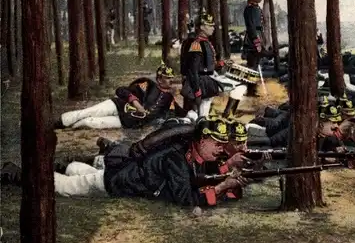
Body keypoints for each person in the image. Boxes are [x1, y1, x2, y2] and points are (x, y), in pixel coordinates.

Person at [1, 117, 249, 208]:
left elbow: (201, 176)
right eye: (217, 144)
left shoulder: (191, 153)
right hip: (116, 181)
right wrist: (221, 188)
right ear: (202, 140)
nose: (220, 149)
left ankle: (62, 165)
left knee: (82, 173)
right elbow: (186, 197)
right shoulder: (178, 158)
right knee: (65, 187)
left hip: (122, 172)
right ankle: (13, 173)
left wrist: (227, 174)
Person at [54, 64, 182, 130]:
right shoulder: (147, 84)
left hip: (128, 121)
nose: (170, 81)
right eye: (167, 78)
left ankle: (69, 127)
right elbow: (121, 91)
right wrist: (136, 103)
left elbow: (173, 115)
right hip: (118, 105)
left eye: (171, 78)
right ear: (159, 79)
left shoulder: (169, 99)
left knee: (90, 122)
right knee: (87, 112)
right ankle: (59, 123)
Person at [180, 12, 224, 117]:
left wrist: (217, 65)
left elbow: (204, 65)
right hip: (199, 82)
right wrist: (197, 91)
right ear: (201, 27)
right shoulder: (196, 44)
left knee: (204, 111)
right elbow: (193, 69)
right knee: (196, 114)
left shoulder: (205, 42)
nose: (213, 28)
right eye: (209, 25)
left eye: (213, 25)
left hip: (206, 80)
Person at [242, 0, 265, 97]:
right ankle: (250, 90)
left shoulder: (257, 8)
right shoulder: (249, 9)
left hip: (258, 36)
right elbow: (251, 27)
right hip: (252, 40)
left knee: (255, 65)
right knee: (252, 66)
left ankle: (253, 89)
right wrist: (256, 42)